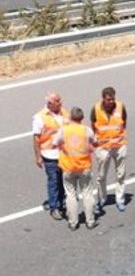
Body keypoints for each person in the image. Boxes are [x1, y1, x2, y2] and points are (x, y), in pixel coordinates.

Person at [52, 107, 98, 231]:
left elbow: (54, 143)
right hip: (84, 167)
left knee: (70, 195)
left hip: (68, 167)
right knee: (87, 193)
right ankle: (90, 221)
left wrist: (62, 145)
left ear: (71, 117)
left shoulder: (64, 130)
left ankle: (73, 222)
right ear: (82, 118)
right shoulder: (86, 130)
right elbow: (95, 143)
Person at [91, 87, 128, 213]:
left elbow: (124, 122)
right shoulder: (95, 109)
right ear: (103, 99)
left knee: (121, 174)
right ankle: (102, 198)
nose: (111, 101)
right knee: (101, 176)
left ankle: (120, 199)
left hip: (119, 146)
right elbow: (93, 126)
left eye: (113, 99)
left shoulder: (120, 107)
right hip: (103, 148)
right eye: (108, 99)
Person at [32, 92, 67, 220]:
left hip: (64, 154)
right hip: (49, 155)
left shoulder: (64, 112)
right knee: (53, 181)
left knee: (64, 181)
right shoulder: (40, 117)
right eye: (58, 101)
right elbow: (36, 138)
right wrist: (38, 157)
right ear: (50, 104)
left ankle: (62, 202)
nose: (61, 102)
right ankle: (54, 207)